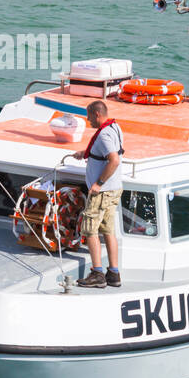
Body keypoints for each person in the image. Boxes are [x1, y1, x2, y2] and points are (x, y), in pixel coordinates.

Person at [73, 100, 124, 288]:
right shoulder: (115, 127)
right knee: (108, 230)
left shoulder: (103, 135)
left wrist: (98, 184)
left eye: (88, 116)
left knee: (90, 230)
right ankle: (114, 273)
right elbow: (108, 153)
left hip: (102, 192)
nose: (87, 120)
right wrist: (85, 153)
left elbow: (114, 160)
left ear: (96, 114)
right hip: (114, 189)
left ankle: (97, 274)